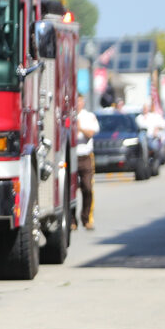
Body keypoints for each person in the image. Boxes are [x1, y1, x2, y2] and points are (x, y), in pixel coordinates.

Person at [74, 93, 99, 229]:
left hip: (85, 156)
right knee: (70, 189)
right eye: (76, 101)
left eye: (80, 101)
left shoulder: (88, 116)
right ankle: (72, 220)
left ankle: (86, 218)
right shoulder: (69, 116)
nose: (78, 103)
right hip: (72, 156)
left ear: (83, 102)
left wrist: (80, 128)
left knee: (87, 188)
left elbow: (90, 134)